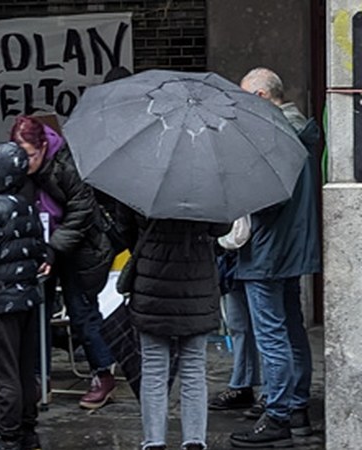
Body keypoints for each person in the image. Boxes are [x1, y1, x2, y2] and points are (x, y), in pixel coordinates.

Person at [229, 67, 321, 448]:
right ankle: (296, 405)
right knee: (292, 327)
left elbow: (264, 198)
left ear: (263, 97)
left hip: (267, 249)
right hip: (293, 245)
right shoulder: (301, 130)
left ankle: (278, 413)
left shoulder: (273, 135)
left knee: (270, 334)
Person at [10, 115, 117, 409]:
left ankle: (103, 374)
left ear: (43, 147)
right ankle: (37, 376)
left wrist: (53, 248)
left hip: (79, 248)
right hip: (42, 246)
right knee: (36, 313)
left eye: (30, 156)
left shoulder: (68, 163)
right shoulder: (22, 169)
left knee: (82, 312)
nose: (25, 162)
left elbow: (82, 211)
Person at [117, 207, 231, 450]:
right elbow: (222, 228)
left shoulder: (141, 178)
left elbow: (125, 227)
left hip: (152, 279)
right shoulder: (208, 182)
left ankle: (154, 442)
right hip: (196, 281)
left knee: (154, 368)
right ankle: (193, 442)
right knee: (193, 368)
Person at [0, 141, 49, 450]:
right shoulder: (28, 205)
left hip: (1, 303)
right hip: (28, 298)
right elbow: (40, 249)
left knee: (5, 373)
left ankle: (8, 436)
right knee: (26, 369)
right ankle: (28, 431)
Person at [209, 250, 263, 414]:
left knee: (266, 331)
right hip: (232, 258)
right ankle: (242, 384)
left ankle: (270, 393)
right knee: (238, 325)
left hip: (259, 259)